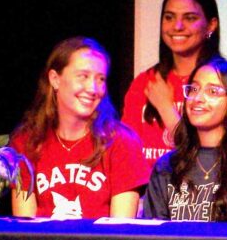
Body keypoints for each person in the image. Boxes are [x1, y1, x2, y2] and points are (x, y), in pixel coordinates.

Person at [11, 37, 148, 219]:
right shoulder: (26, 142)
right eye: (83, 76)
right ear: (55, 79)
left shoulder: (121, 142)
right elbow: (24, 228)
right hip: (43, 239)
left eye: (100, 79)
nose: (93, 88)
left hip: (101, 239)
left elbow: (120, 231)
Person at [143, 58, 227, 223]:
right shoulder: (167, 166)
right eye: (194, 89)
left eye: (213, 92)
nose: (198, 98)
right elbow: (153, 233)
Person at [123, 0, 221, 168]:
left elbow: (212, 155)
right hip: (149, 185)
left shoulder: (222, 81)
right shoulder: (145, 82)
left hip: (201, 184)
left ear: (211, 25)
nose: (177, 26)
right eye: (169, 17)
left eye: (190, 18)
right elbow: (126, 152)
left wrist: (166, 108)